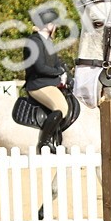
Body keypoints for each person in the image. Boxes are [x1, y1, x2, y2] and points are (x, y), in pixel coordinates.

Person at [23, 20, 68, 152]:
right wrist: (59, 73)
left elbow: (57, 63)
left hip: (50, 83)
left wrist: (64, 72)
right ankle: (44, 142)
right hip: (38, 85)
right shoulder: (33, 42)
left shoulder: (48, 42)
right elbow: (40, 68)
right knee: (61, 107)